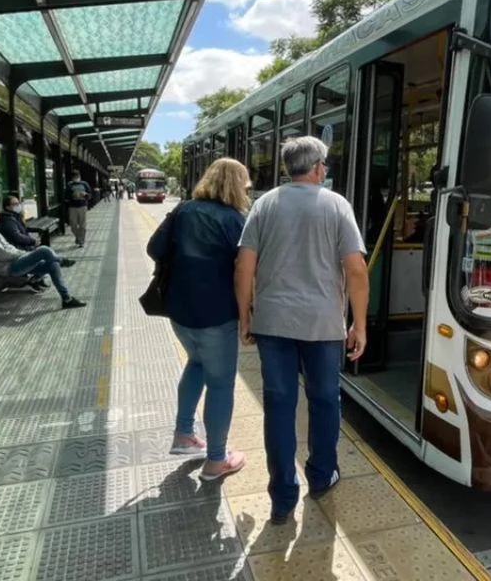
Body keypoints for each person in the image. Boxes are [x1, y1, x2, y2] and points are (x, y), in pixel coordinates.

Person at [235, 136, 369, 524]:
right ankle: (321, 474)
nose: (325, 170)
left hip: (273, 323)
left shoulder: (264, 204)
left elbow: (244, 266)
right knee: (325, 400)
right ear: (317, 167)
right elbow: (356, 269)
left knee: (278, 406)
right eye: (324, 164)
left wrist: (245, 316)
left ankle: (282, 497)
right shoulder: (336, 205)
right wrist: (359, 324)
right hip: (324, 325)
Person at [148, 158, 251, 480]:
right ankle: (217, 460)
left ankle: (183, 435)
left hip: (179, 309)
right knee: (221, 384)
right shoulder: (234, 219)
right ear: (237, 185)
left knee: (195, 364)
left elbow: (154, 247)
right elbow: (245, 268)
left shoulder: (183, 210)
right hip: (216, 313)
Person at [0, 205, 86, 309]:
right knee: (44, 250)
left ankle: (67, 299)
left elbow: (10, 248)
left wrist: (26, 255)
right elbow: (3, 255)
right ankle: (60, 260)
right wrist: (26, 254)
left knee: (53, 264)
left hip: (16, 262)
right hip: (7, 267)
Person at [0, 195, 76, 267]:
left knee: (50, 260)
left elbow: (23, 230)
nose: (18, 206)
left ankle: (59, 261)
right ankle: (60, 261)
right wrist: (33, 241)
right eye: (15, 204)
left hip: (25, 247)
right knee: (46, 253)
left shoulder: (15, 217)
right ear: (7, 207)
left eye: (19, 203)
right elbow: (17, 237)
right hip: (20, 250)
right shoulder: (8, 221)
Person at [65, 171, 91, 247]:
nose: (76, 178)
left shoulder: (85, 184)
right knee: (73, 225)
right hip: (72, 207)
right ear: (72, 178)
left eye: (77, 176)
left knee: (82, 225)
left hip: (83, 206)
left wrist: (85, 194)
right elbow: (66, 196)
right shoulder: (69, 185)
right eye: (74, 177)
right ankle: (78, 237)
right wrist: (72, 195)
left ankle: (81, 241)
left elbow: (90, 195)